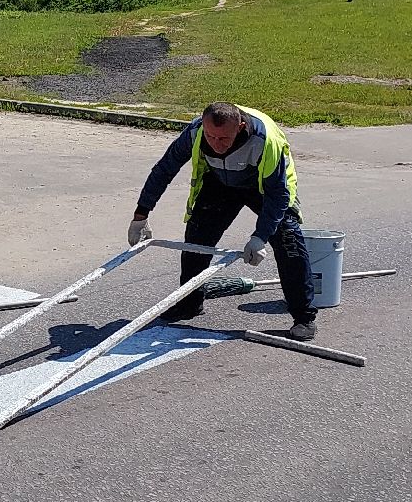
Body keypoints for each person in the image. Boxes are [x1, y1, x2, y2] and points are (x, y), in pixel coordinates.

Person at [126, 102, 318, 341]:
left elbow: (278, 195)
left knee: (289, 241)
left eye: (223, 138)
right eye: (211, 136)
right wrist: (140, 216)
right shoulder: (196, 131)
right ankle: (189, 303)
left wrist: (260, 237)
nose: (216, 145)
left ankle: (303, 317)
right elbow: (165, 169)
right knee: (197, 240)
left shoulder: (265, 142)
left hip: (263, 186)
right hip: (220, 183)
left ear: (241, 127)